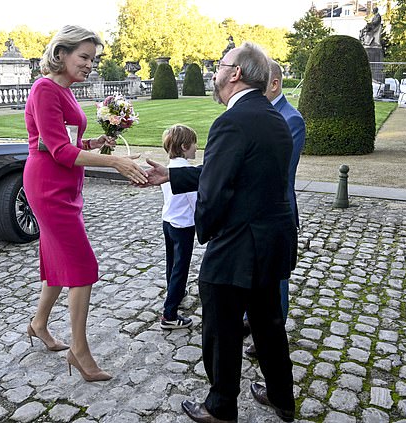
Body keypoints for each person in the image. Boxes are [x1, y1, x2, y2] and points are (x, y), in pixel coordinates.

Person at [143, 42, 297, 422]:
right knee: (268, 324)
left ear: (236, 73)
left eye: (220, 65)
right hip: (271, 239)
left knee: (220, 326)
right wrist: (173, 173)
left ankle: (220, 407)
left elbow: (215, 191)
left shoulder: (231, 120)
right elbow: (239, 170)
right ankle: (283, 398)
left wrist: (205, 232)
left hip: (240, 243)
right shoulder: (272, 114)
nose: (214, 71)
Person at [23, 25, 147, 383]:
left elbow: (62, 141)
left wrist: (95, 143)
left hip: (64, 183)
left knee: (56, 261)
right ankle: (80, 350)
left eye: (93, 58)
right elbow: (59, 151)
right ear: (60, 54)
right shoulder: (45, 89)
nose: (90, 64)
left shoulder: (64, 90)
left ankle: (39, 324)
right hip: (48, 187)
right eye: (84, 56)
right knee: (82, 266)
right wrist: (116, 163)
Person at [245, 60, 306, 358]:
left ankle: (271, 335)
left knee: (276, 280)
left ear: (275, 84)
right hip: (252, 211)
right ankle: (251, 320)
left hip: (276, 212)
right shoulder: (259, 113)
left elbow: (281, 173)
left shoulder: (291, 119)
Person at [159, 124, 198, 330]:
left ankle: (174, 291)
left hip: (168, 221)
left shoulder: (169, 167)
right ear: (184, 146)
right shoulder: (187, 171)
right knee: (180, 267)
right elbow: (195, 202)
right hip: (183, 224)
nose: (196, 149)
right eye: (194, 145)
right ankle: (170, 314)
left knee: (171, 263)